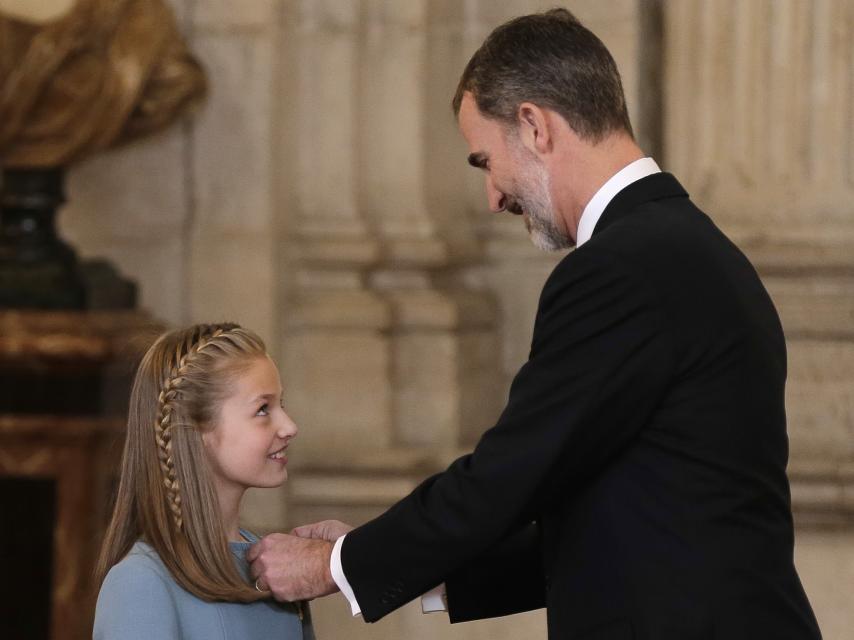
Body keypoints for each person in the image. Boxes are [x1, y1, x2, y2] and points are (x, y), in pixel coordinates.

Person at [247, 9, 822, 640]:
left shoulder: (620, 268)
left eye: (485, 161)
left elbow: (508, 475)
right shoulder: (690, 248)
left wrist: (332, 566)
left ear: (534, 125)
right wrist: (383, 559)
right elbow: (613, 523)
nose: (494, 197)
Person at [93, 323, 314, 640]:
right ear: (196, 430)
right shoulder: (141, 582)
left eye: (282, 404)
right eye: (263, 409)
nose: (289, 426)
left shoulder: (276, 569)